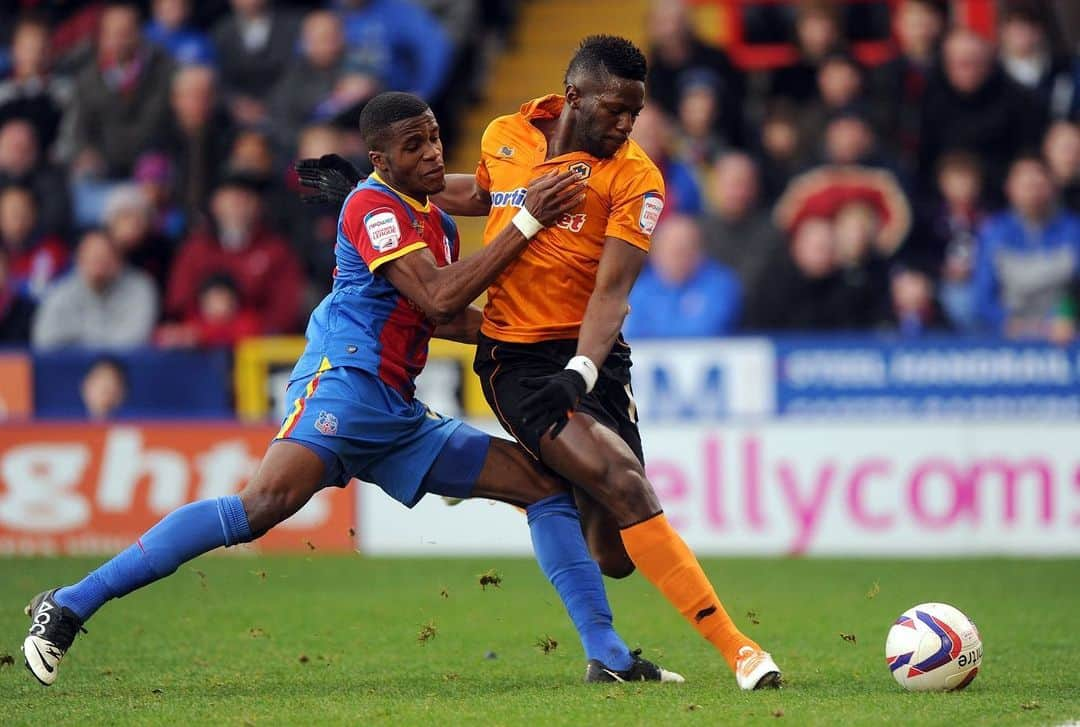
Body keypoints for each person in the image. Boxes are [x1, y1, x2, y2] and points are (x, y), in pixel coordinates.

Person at [22, 92, 683, 688]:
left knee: (543, 487)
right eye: (413, 146)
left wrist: (535, 343)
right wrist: (527, 224)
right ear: (380, 158)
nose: (430, 153)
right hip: (345, 385)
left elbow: (444, 315)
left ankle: (610, 656)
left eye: (432, 137)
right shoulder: (371, 204)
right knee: (258, 507)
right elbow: (440, 292)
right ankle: (72, 602)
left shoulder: (436, 223)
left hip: (397, 412)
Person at [404, 35, 779, 689]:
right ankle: (741, 650)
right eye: (614, 110)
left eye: (635, 112)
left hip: (593, 360)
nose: (626, 124)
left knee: (615, 550)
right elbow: (484, 193)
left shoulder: (637, 177)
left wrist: (580, 372)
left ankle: (535, 491)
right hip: (515, 361)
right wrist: (383, 191)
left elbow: (611, 293)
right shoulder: (506, 134)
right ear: (574, 97)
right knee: (626, 481)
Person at [973, 154, 1080, 341]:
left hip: (1063, 334)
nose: (1033, 191)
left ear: (1052, 187)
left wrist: (1067, 315)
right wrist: (1007, 322)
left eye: (1038, 184)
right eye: (1025, 185)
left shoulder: (1073, 230)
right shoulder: (994, 233)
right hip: (1008, 334)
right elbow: (982, 296)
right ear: (1009, 188)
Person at [31, 228, 158, 350]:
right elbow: (45, 340)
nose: (99, 262)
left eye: (105, 255)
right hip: (71, 369)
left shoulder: (140, 288)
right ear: (79, 260)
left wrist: (77, 342)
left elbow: (134, 341)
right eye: (93, 256)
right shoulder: (61, 292)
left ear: (119, 261)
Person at [623, 214, 742, 339]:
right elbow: (632, 336)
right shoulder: (639, 290)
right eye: (671, 251)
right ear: (654, 254)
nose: (678, 259)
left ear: (699, 252)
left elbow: (707, 330)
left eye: (684, 250)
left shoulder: (722, 285)